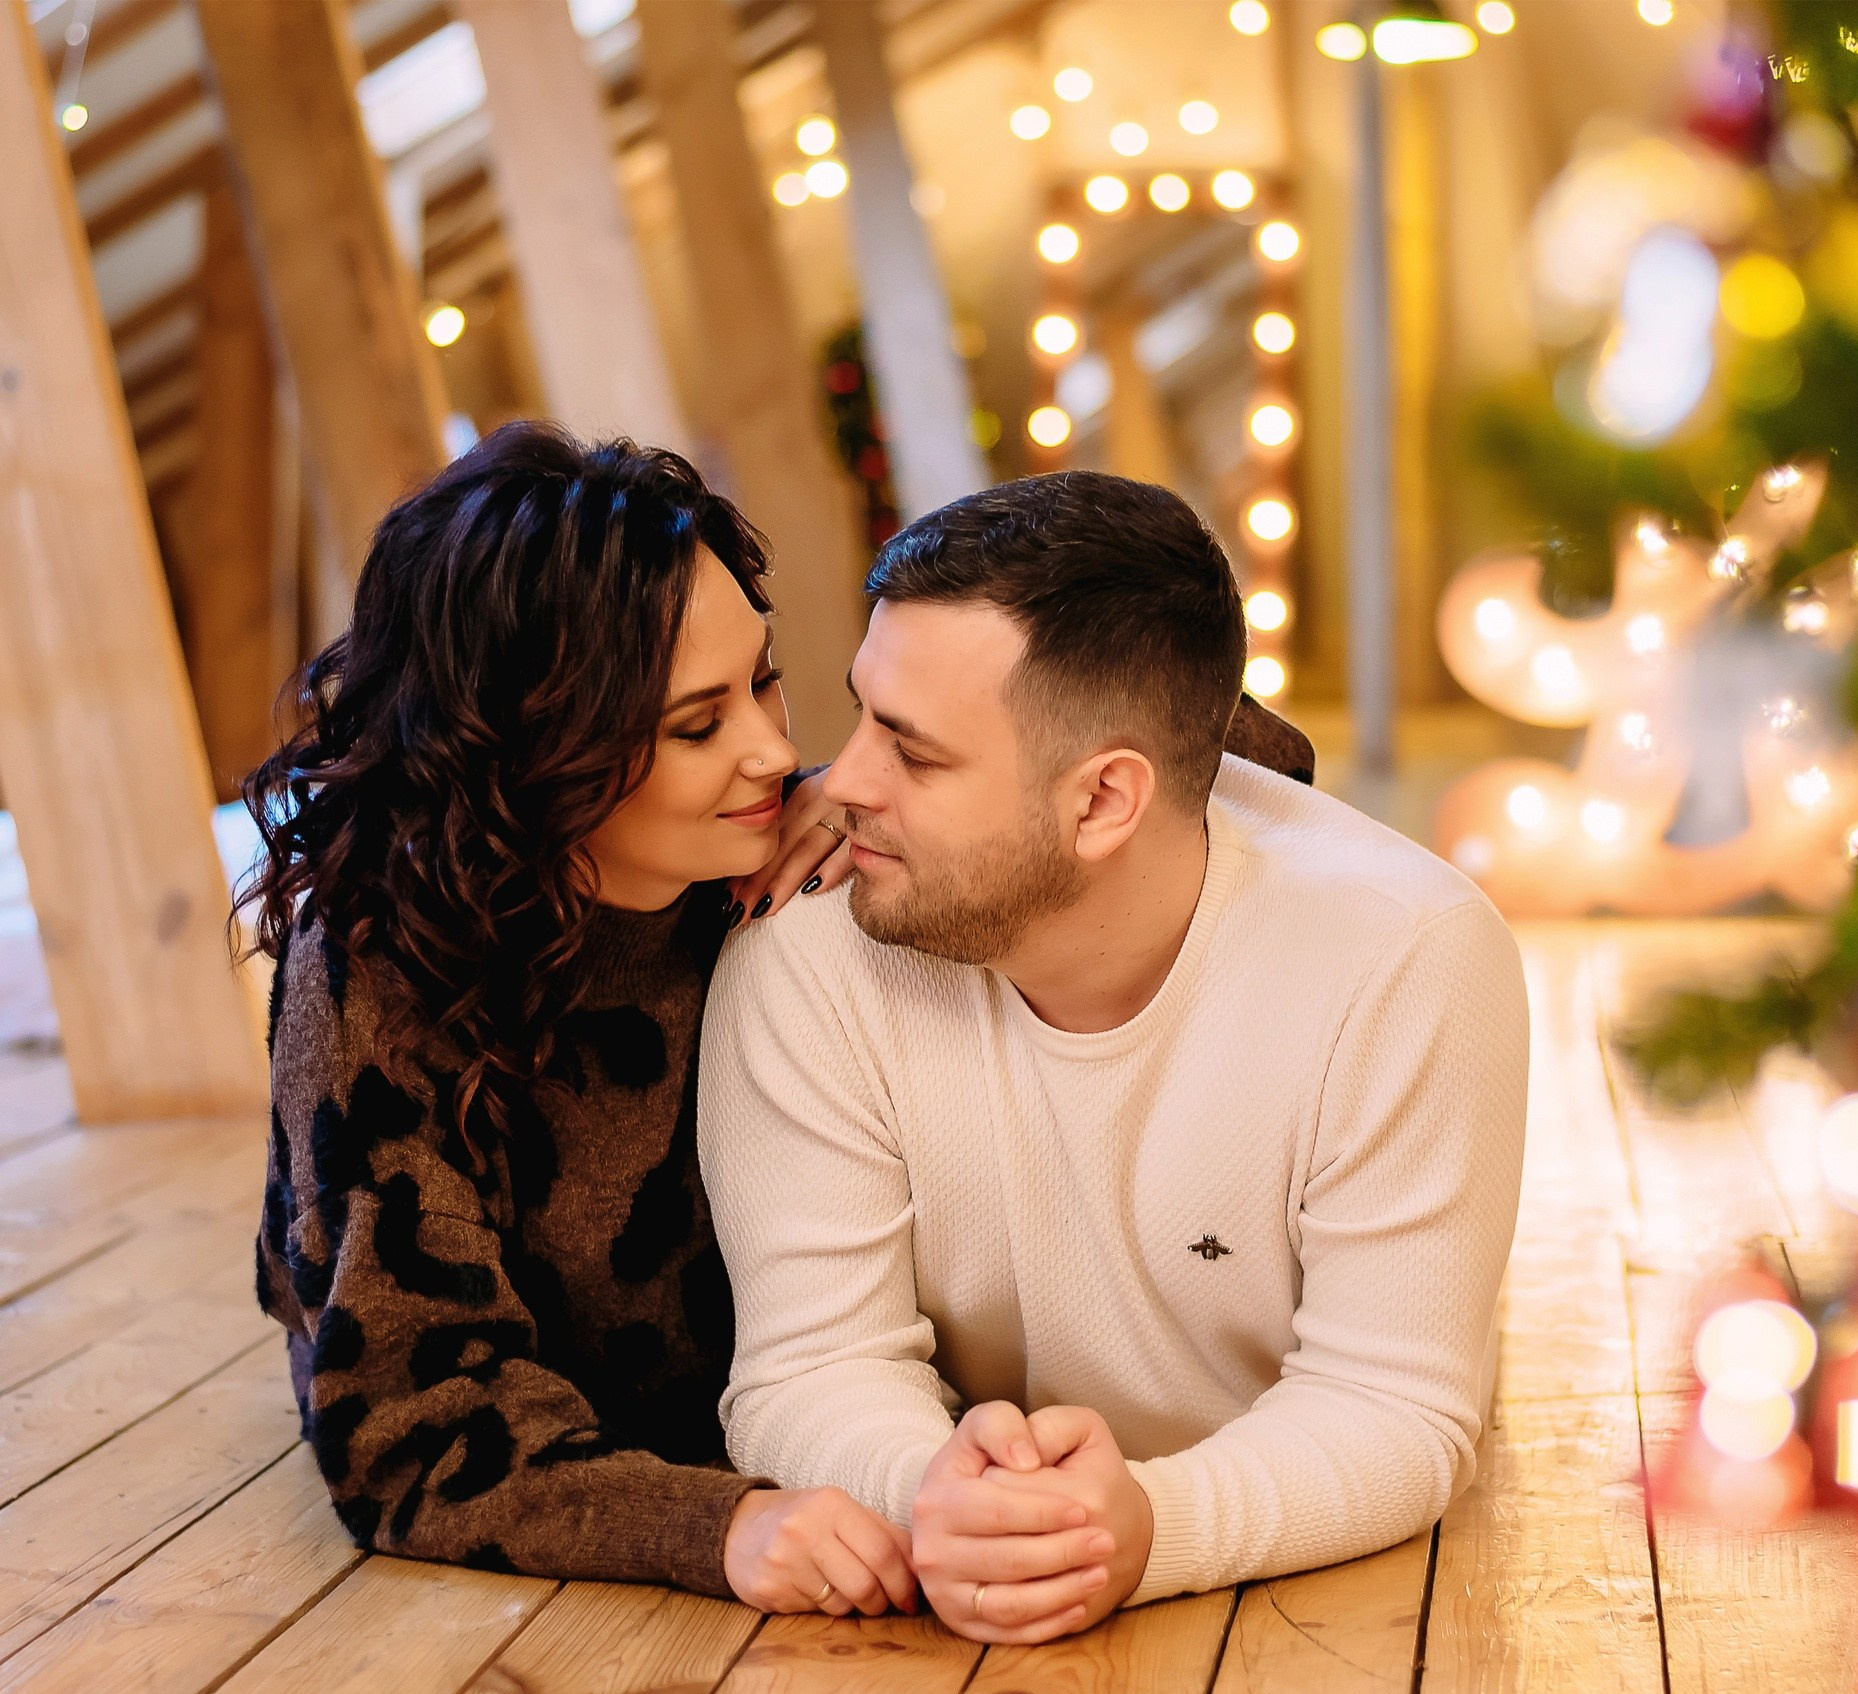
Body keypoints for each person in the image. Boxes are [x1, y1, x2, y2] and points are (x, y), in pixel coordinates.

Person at [244, 424, 1319, 1611]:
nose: (772, 748)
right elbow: (408, 1428)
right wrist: (718, 1526)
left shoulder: (792, 845)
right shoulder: (379, 971)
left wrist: (887, 787)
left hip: (890, 1429)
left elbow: (1248, 749)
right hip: (653, 1485)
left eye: (763, 679)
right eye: (696, 726)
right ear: (532, 756)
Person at [698, 470, 1531, 1646]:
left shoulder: (1410, 957)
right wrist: (940, 1490)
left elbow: (1394, 1400)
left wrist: (1148, 1526)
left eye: (914, 752)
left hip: (1331, 1626)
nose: (842, 785)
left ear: (1103, 801)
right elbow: (807, 1363)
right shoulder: (808, 946)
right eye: (861, 713)